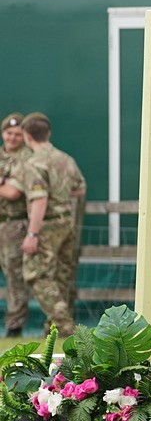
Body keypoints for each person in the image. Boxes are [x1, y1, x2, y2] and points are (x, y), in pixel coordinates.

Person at [13, 113, 86, 335]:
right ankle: (53, 328)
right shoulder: (65, 159)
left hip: (46, 225)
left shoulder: (33, 164)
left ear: (27, 136)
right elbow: (80, 189)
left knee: (36, 274)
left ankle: (64, 324)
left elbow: (39, 199)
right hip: (66, 222)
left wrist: (32, 234)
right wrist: (60, 195)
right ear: (48, 133)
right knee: (62, 275)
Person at [0, 112, 33, 337]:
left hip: (14, 225)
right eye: (9, 133)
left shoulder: (27, 158)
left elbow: (13, 193)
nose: (12, 138)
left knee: (14, 277)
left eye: (17, 134)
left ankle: (14, 326)